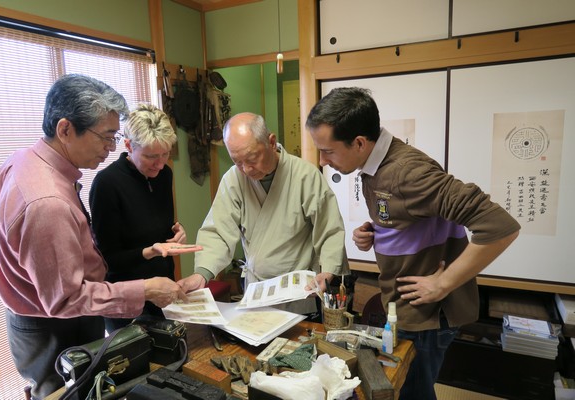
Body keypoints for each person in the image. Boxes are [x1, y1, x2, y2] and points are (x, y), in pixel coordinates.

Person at [0, 74, 197, 399]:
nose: (110, 148)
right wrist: (145, 288)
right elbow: (66, 299)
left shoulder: (25, 160)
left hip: (44, 314)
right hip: (54, 324)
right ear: (66, 129)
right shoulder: (48, 202)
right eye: (106, 137)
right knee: (70, 393)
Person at [306, 87, 520, 400]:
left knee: (413, 392)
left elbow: (501, 227)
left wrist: (444, 282)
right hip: (404, 306)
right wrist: (374, 232)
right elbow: (412, 218)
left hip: (429, 314)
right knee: (404, 386)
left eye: (328, 151)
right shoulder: (372, 167)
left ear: (360, 143)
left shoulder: (408, 173)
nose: (322, 161)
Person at [178, 112, 349, 314]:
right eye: (237, 162)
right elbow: (218, 230)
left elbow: (329, 228)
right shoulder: (234, 179)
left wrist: (327, 272)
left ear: (271, 141)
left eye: (252, 158)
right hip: (256, 291)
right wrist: (202, 274)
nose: (247, 169)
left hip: (297, 289)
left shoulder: (304, 175)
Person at [90, 103, 200, 332]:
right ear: (129, 146)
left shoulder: (164, 175)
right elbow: (108, 259)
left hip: (164, 290)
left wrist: (176, 232)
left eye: (165, 154)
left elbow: (159, 227)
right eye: (151, 156)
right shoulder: (107, 184)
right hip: (127, 302)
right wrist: (151, 250)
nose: (160, 164)